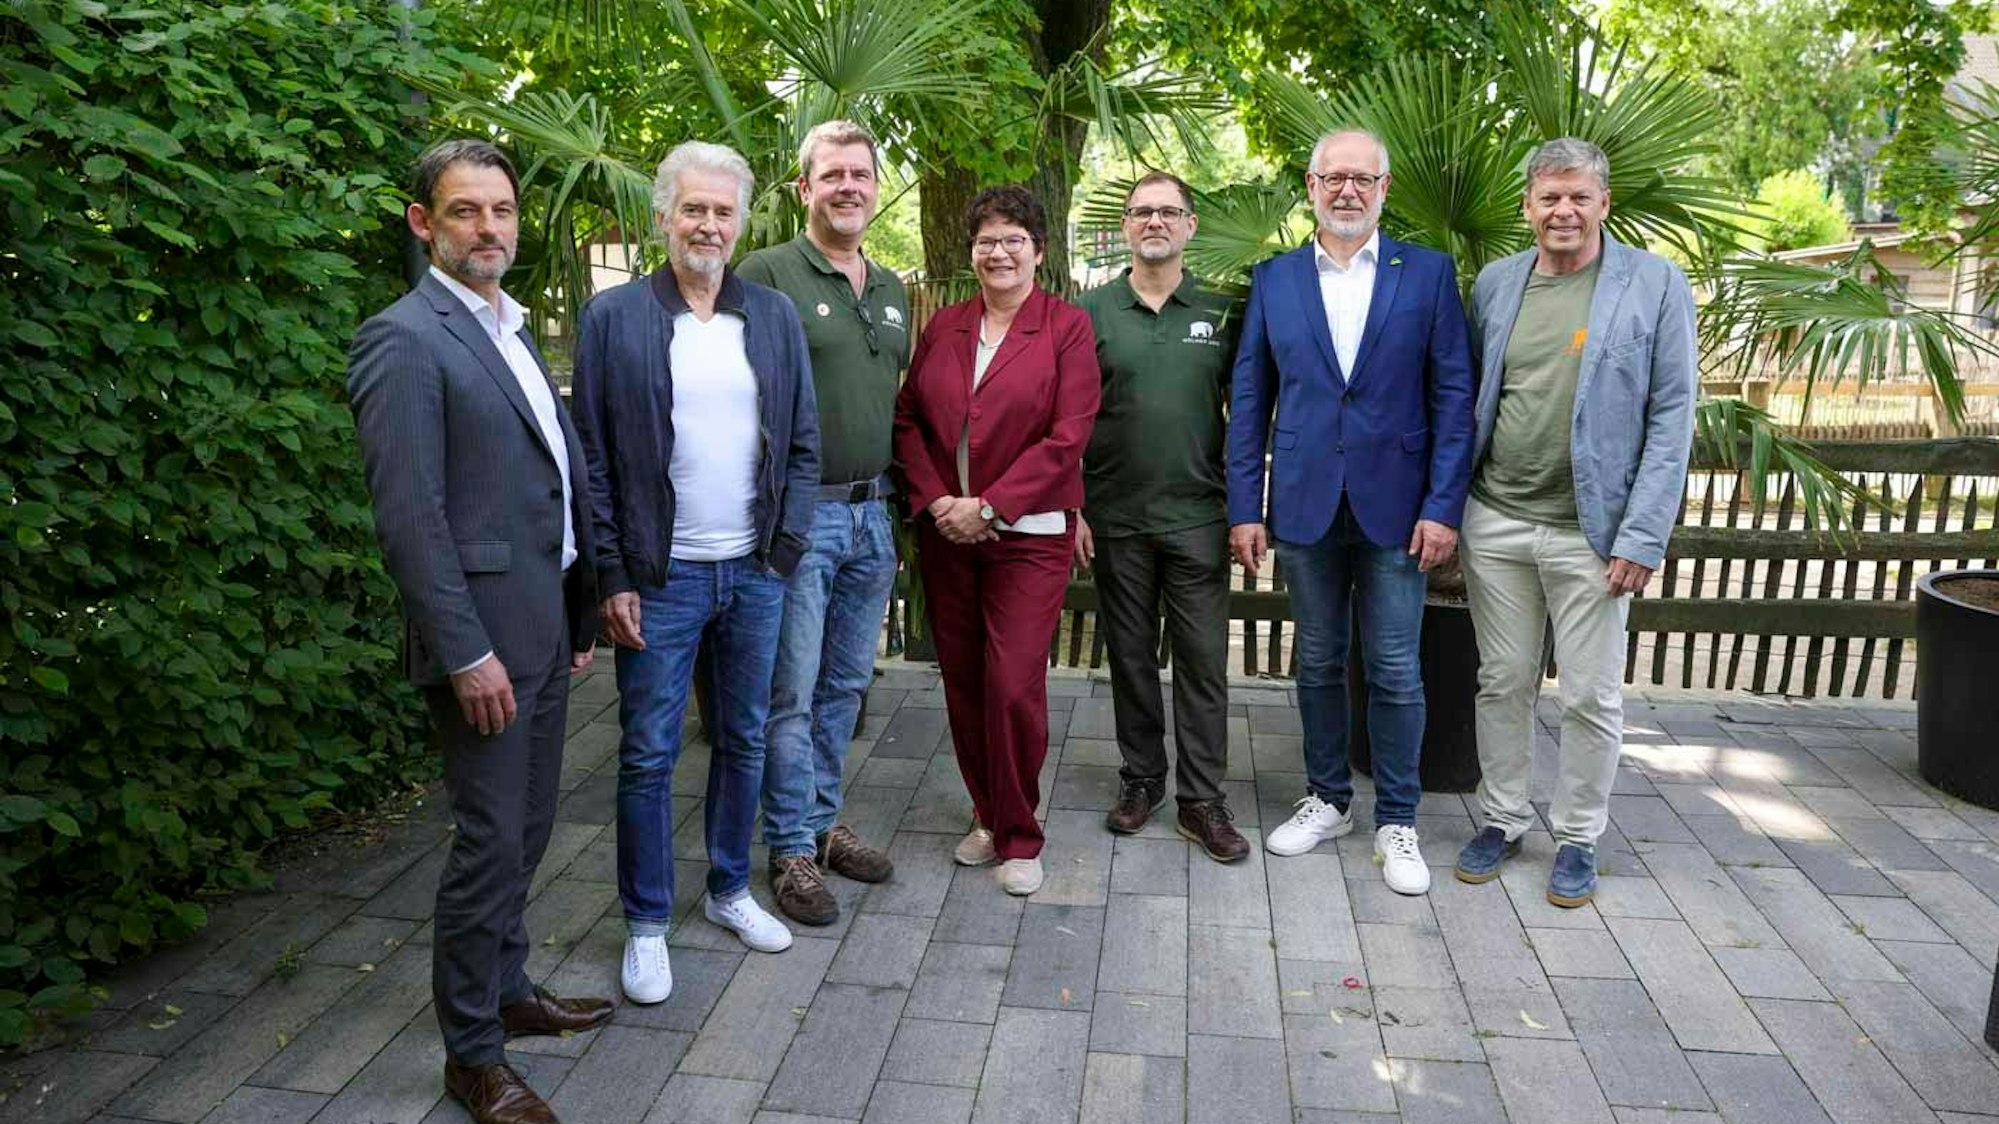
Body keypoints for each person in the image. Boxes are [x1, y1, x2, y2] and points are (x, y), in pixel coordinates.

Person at [348, 139, 609, 1124]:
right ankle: (471, 1054)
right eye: (465, 211)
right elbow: (410, 517)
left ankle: (506, 989)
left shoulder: (508, 327)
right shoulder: (405, 340)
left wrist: (577, 607)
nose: (488, 227)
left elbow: (550, 479)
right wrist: (464, 651)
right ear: (424, 224)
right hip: (483, 648)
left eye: (500, 209)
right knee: (489, 838)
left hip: (541, 625)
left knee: (529, 828)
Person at [570, 141, 820, 1004]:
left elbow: (801, 443)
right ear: (663, 218)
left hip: (752, 572)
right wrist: (611, 575)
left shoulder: (775, 319)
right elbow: (592, 460)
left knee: (745, 738)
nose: (708, 225)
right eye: (693, 209)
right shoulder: (616, 320)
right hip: (660, 576)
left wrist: (782, 556)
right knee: (646, 753)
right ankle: (645, 923)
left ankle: (726, 891)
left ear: (742, 221)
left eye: (722, 211)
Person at [1226, 128, 1476, 896]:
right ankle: (1327, 798)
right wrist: (1245, 505)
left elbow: (1452, 399)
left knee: (1397, 668)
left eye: (1361, 179)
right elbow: (1247, 402)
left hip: (1399, 511)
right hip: (1302, 504)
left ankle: (1395, 820)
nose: (1346, 191)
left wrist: (1442, 506)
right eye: (1332, 177)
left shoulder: (1427, 275)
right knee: (1319, 660)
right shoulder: (1272, 280)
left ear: (1383, 188)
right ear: (1309, 185)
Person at [1453, 137, 1696, 908]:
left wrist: (1642, 533)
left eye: (1578, 197)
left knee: (1590, 694)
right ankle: (1500, 818)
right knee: (1502, 681)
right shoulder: (1496, 284)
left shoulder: (1652, 285)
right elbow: (1470, 402)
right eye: (1548, 197)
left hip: (1593, 534)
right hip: (1494, 520)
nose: (1563, 211)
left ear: (1603, 202)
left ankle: (1579, 836)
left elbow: (1672, 415)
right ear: (1526, 206)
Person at [892, 185, 1100, 896]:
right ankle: (985, 812)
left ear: (1039, 252)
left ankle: (1019, 833)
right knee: (964, 679)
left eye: (1014, 238)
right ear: (970, 251)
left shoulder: (1066, 328)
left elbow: (1068, 435)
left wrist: (992, 505)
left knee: (1011, 683)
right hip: (947, 530)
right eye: (986, 239)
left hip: (1030, 535)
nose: (999, 251)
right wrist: (939, 501)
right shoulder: (945, 327)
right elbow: (909, 422)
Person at [736, 120, 905, 927]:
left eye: (860, 174)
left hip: (876, 516)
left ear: (875, 187)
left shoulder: (893, 287)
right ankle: (790, 849)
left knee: (845, 685)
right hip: (804, 517)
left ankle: (822, 824)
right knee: (791, 692)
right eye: (830, 174)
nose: (847, 186)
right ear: (804, 188)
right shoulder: (764, 275)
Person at [1075, 172, 1248, 863]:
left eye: (1168, 212)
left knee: (1204, 663)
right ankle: (1141, 779)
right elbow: (1066, 418)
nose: (1154, 222)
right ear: (1123, 227)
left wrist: (1246, 511)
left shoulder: (1222, 309)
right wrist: (1072, 505)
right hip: (1114, 515)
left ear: (1189, 225)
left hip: (1198, 516)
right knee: (1131, 659)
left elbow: (1249, 415)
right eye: (1141, 212)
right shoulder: (1088, 312)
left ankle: (1201, 800)